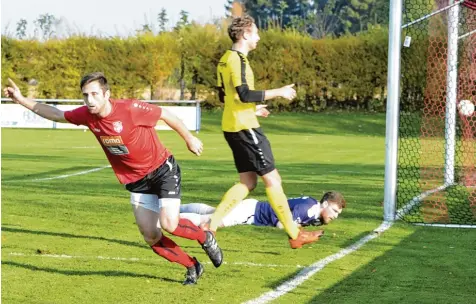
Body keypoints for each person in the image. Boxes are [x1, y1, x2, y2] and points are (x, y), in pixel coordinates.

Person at [3, 73, 222, 285]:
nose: (90, 100)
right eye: (85, 95)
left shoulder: (130, 109)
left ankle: (204, 237)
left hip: (162, 170)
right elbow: (56, 114)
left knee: (169, 224)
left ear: (107, 94)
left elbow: (165, 114)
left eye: (95, 94)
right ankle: (192, 266)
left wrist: (189, 138)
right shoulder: (86, 115)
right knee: (150, 235)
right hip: (137, 182)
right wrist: (21, 99)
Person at [211, 15, 323, 249]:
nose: (259, 37)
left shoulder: (224, 59)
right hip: (245, 127)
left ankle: (210, 225)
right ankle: (294, 234)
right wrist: (278, 92)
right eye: (256, 33)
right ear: (245, 35)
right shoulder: (238, 60)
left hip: (232, 125)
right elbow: (244, 93)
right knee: (273, 179)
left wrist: (254, 108)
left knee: (248, 182)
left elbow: (226, 96)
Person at [181, 192, 345, 235]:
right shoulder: (309, 209)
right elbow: (282, 225)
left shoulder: (312, 206)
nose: (335, 216)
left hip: (252, 207)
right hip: (250, 212)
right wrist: (300, 234)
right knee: (210, 221)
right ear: (324, 204)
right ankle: (164, 218)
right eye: (334, 210)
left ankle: (178, 208)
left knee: (213, 212)